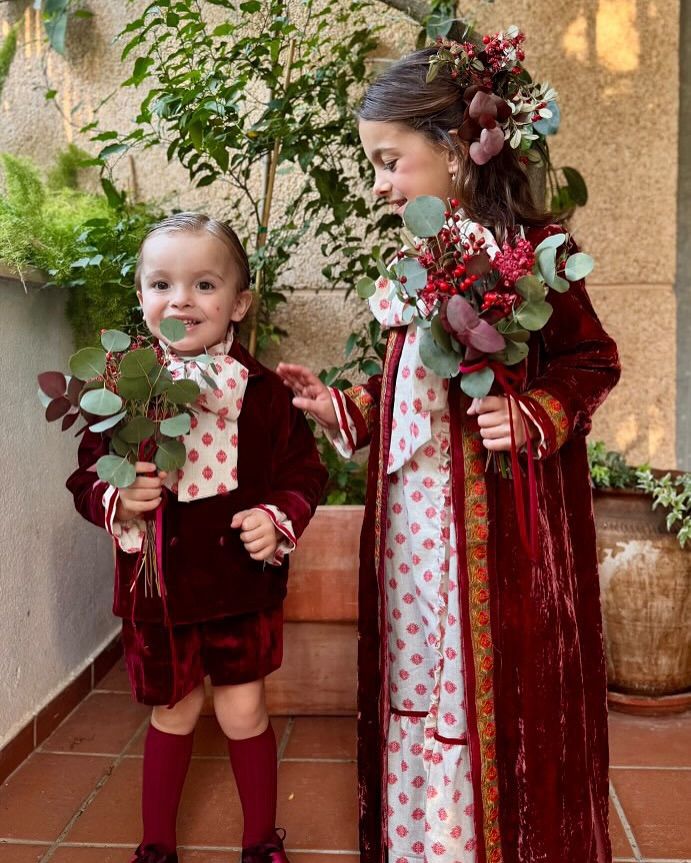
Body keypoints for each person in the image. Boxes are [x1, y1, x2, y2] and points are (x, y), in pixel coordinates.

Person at [277, 37, 620, 863]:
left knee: (483, 686)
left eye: (390, 162)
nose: (379, 185)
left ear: (459, 152)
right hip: (414, 535)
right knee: (417, 677)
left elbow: (591, 361)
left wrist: (536, 412)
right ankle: (428, 843)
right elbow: (408, 385)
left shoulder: (536, 254)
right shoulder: (417, 261)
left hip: (493, 535)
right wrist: (343, 408)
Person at [66, 213, 327, 863]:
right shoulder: (122, 390)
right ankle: (156, 843)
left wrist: (278, 516)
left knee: (244, 714)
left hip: (241, 585)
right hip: (161, 593)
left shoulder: (264, 395)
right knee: (172, 712)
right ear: (142, 296)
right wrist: (117, 497)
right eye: (161, 284)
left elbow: (304, 473)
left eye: (203, 284)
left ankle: (259, 840)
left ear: (239, 302)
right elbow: (85, 475)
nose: (180, 299)